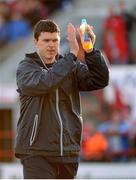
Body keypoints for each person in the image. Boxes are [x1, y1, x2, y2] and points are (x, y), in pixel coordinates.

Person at [15, 19, 109, 179]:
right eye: (46, 40)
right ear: (36, 42)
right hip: (37, 152)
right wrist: (72, 55)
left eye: (55, 40)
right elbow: (45, 82)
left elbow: (100, 80)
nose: (51, 45)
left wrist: (90, 51)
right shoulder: (26, 67)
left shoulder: (70, 65)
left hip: (68, 151)